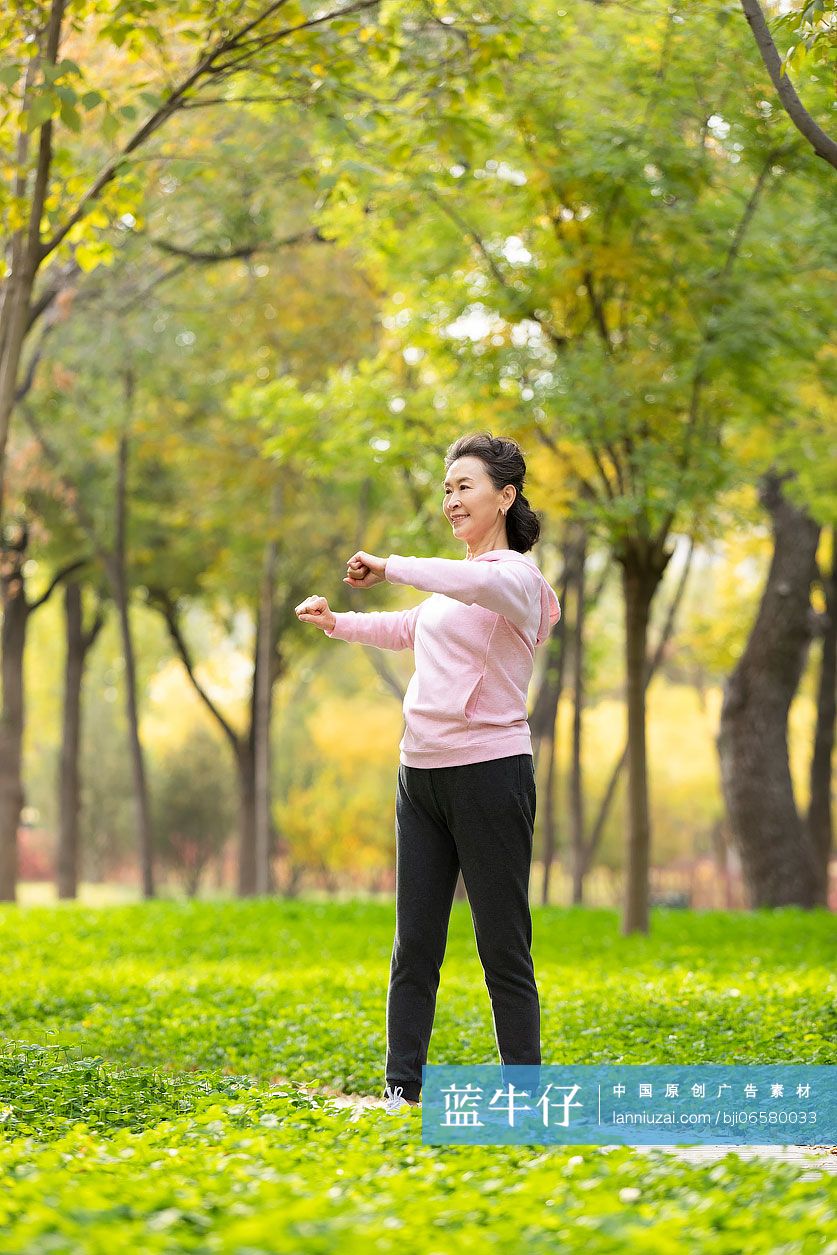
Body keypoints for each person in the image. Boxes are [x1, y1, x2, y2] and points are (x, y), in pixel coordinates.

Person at [294, 432, 561, 1114]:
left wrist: (390, 563)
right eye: (446, 488)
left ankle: (522, 1096)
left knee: (501, 943)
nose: (451, 498)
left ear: (504, 496)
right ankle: (400, 1086)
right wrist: (336, 623)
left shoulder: (516, 581)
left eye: (463, 485)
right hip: (421, 776)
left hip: (490, 774)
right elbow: (410, 627)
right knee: (415, 942)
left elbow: (469, 581)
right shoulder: (448, 587)